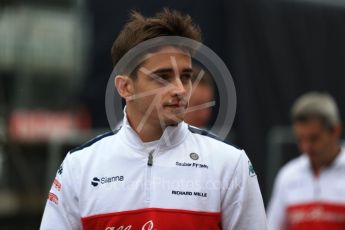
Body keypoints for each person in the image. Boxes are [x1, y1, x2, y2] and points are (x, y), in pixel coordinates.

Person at [40, 9, 266, 229]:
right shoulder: (79, 166)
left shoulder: (230, 163)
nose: (180, 88)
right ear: (125, 87)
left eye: (185, 76)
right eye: (163, 77)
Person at [267, 92, 345, 230]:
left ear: (335, 131)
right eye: (300, 139)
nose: (306, 147)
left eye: (314, 138)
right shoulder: (288, 175)